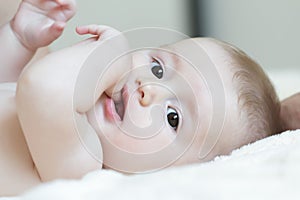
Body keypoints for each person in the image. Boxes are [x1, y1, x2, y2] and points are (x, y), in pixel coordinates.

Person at [1, 0, 297, 196]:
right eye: (158, 68)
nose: (147, 89)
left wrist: (108, 55)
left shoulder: (85, 165)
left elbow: (40, 87)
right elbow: (9, 88)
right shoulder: (79, 108)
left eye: (173, 117)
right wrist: (19, 39)